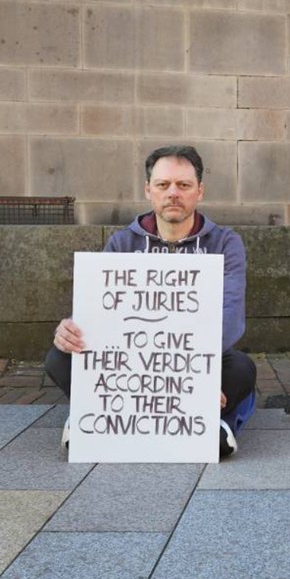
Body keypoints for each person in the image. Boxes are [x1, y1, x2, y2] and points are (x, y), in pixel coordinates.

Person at [46, 145, 257, 458]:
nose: (173, 193)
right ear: (149, 190)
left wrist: (199, 377)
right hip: (132, 364)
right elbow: (100, 310)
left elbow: (230, 313)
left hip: (200, 357)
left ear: (199, 191)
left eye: (183, 185)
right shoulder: (122, 242)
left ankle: (212, 423)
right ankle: (97, 417)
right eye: (163, 185)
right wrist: (71, 329)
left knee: (242, 368)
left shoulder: (226, 243)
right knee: (58, 359)